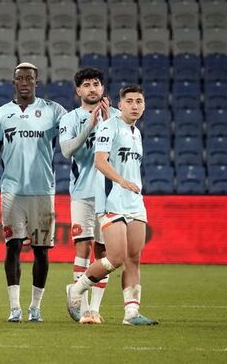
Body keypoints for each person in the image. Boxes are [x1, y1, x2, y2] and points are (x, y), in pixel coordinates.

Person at [0, 62, 66, 323]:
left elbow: (72, 129)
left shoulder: (53, 110)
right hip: (11, 190)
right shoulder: (2, 113)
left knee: (41, 249)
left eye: (30, 78)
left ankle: (35, 307)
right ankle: (15, 307)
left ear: (37, 82)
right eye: (20, 78)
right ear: (14, 82)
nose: (25, 82)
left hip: (43, 190)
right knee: (13, 246)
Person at [66, 84, 158, 326]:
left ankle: (131, 313)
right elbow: (100, 161)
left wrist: (130, 185)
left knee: (134, 258)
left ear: (144, 106)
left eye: (139, 101)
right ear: (120, 105)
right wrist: (121, 181)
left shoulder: (137, 133)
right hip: (111, 201)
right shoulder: (109, 127)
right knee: (115, 257)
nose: (135, 106)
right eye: (130, 101)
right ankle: (76, 290)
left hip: (135, 203)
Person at [59, 67, 118, 324]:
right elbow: (67, 151)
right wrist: (91, 125)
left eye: (96, 84)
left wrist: (107, 121)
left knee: (104, 252)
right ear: (78, 91)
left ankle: (95, 308)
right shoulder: (70, 119)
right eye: (86, 85)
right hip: (82, 193)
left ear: (102, 88)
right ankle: (81, 306)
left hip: (110, 195)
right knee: (82, 247)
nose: (92, 89)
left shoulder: (116, 117)